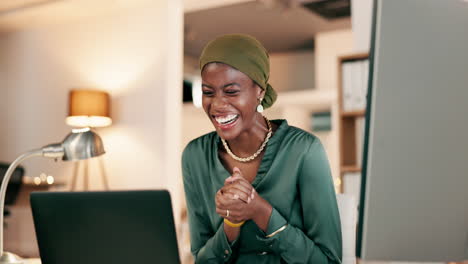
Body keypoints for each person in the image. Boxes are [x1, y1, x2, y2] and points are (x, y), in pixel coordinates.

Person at [182, 34, 342, 263]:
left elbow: (327, 261)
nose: (216, 105)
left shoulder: (304, 151)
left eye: (231, 91)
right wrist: (231, 223)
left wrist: (261, 212)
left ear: (260, 92)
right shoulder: (195, 156)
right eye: (208, 92)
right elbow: (202, 260)